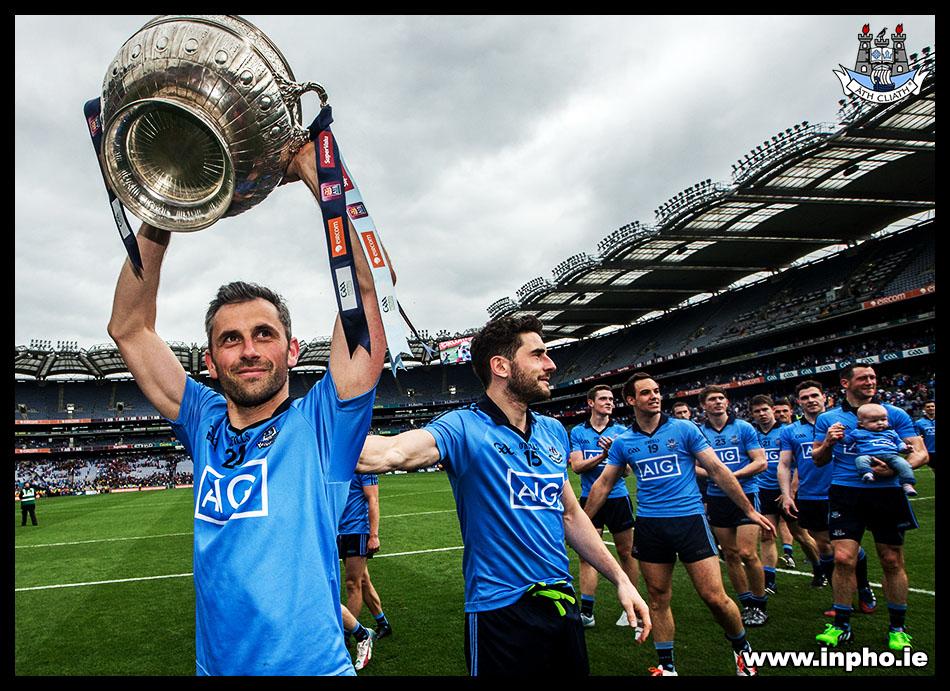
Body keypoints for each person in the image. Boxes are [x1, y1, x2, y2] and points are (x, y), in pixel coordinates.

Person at [106, 140, 389, 676]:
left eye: (264, 333)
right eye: (231, 340)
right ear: (210, 361)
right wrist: (163, 210)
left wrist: (318, 173)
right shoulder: (202, 419)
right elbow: (130, 327)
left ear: (293, 348)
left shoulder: (323, 427)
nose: (250, 350)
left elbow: (366, 298)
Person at [357, 315, 651, 677]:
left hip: (562, 606)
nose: (551, 364)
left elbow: (571, 515)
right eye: (538, 355)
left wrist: (621, 579)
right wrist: (311, 439)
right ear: (501, 366)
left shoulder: (553, 432)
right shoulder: (463, 427)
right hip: (500, 612)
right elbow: (392, 453)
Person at [584, 373, 774, 677]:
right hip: (650, 526)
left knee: (714, 597)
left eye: (657, 391)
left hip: (689, 521)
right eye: (646, 393)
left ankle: (741, 648)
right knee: (658, 598)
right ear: (631, 400)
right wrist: (583, 519)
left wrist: (748, 510)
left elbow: (716, 469)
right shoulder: (624, 442)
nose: (655, 396)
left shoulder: (684, 429)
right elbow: (604, 484)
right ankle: (667, 666)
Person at [812, 364, 928, 651]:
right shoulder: (829, 418)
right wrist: (828, 442)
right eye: (863, 378)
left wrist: (893, 470)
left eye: (873, 377)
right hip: (846, 492)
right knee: (842, 558)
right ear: (845, 383)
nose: (870, 382)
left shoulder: (894, 413)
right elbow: (817, 459)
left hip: (887, 494)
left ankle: (897, 628)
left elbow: (920, 453)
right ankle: (841, 625)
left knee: (891, 560)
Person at [696, 386, 768, 627]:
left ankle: (760, 603)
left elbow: (760, 462)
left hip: (746, 494)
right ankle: (746, 603)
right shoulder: (699, 432)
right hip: (717, 498)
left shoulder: (744, 428)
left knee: (748, 552)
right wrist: (715, 476)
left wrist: (731, 476)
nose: (717, 402)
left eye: (721, 398)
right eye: (712, 399)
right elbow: (693, 466)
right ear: (704, 406)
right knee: (730, 554)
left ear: (727, 402)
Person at [568, 385, 637, 629]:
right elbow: (576, 467)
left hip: (618, 498)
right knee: (586, 555)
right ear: (590, 403)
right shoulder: (578, 432)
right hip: (589, 498)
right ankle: (587, 612)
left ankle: (632, 607)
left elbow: (627, 471)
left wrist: (615, 454)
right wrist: (603, 454)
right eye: (603, 399)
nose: (609, 402)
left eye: (611, 399)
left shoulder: (621, 432)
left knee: (626, 553)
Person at [750, 395, 820, 595]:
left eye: (765, 409)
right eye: (757, 411)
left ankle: (818, 567)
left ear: (773, 409)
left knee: (800, 535)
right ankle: (770, 580)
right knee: (767, 535)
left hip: (787, 491)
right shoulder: (752, 434)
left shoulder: (787, 431)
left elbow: (797, 463)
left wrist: (788, 490)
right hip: (763, 491)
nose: (762, 414)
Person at [338, 471, 393, 637]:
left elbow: (373, 500)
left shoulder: (365, 466)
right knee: (363, 581)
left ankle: (346, 635)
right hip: (341, 531)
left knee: (352, 583)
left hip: (358, 531)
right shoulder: (340, 461)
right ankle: (383, 623)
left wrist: (374, 535)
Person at [849, 404, 917, 495]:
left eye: (883, 419)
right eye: (874, 421)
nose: (880, 423)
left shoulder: (891, 432)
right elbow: (847, 441)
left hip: (891, 455)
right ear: (861, 424)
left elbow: (899, 443)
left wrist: (905, 448)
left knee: (904, 464)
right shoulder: (858, 432)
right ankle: (867, 474)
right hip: (869, 455)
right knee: (860, 460)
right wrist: (840, 436)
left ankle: (907, 483)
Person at [770, 397, 800, 567]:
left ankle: (820, 558)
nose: (781, 414)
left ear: (791, 411)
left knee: (802, 529)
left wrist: (792, 489)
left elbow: (800, 463)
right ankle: (788, 553)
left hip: (796, 485)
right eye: (778, 411)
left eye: (784, 411)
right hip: (773, 486)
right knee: (781, 521)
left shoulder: (794, 431)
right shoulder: (768, 431)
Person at [913, 400, 935, 474]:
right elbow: (917, 438)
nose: (930, 408)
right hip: (930, 451)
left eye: (932, 406)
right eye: (928, 407)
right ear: (924, 409)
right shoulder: (919, 423)